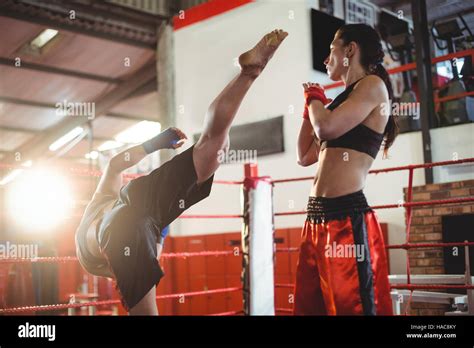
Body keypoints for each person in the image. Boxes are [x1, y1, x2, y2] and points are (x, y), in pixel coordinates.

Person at [75, 29, 288, 315]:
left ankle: (248, 74)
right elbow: (115, 165)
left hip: (124, 229)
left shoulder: (94, 251)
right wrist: (156, 143)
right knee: (211, 146)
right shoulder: (95, 209)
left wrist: (159, 232)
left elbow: (140, 250)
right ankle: (248, 74)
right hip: (138, 200)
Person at [294, 23, 397, 315]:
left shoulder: (373, 86)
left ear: (350, 50)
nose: (326, 60)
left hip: (345, 220)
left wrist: (314, 99)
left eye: (331, 51)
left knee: (350, 307)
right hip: (315, 220)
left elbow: (325, 127)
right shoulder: (343, 101)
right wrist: (308, 109)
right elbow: (304, 156)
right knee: (311, 308)